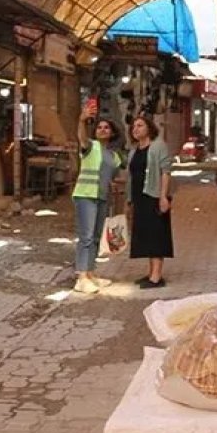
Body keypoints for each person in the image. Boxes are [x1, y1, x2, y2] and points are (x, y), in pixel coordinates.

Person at [73, 106, 124, 294]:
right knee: (85, 237)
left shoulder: (115, 157)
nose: (102, 130)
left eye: (106, 128)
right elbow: (82, 138)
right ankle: (81, 277)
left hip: (102, 197)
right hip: (86, 194)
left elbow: (113, 177)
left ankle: (91, 273)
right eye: (99, 127)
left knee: (95, 237)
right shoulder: (90, 146)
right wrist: (82, 120)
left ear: (112, 133)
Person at [127, 116, 174, 288]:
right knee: (145, 235)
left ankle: (156, 276)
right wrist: (129, 200)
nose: (136, 129)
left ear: (149, 128)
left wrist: (163, 196)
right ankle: (150, 273)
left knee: (156, 235)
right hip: (139, 197)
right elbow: (131, 178)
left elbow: (165, 171)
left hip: (153, 196)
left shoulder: (158, 146)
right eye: (134, 126)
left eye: (140, 125)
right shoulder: (134, 150)